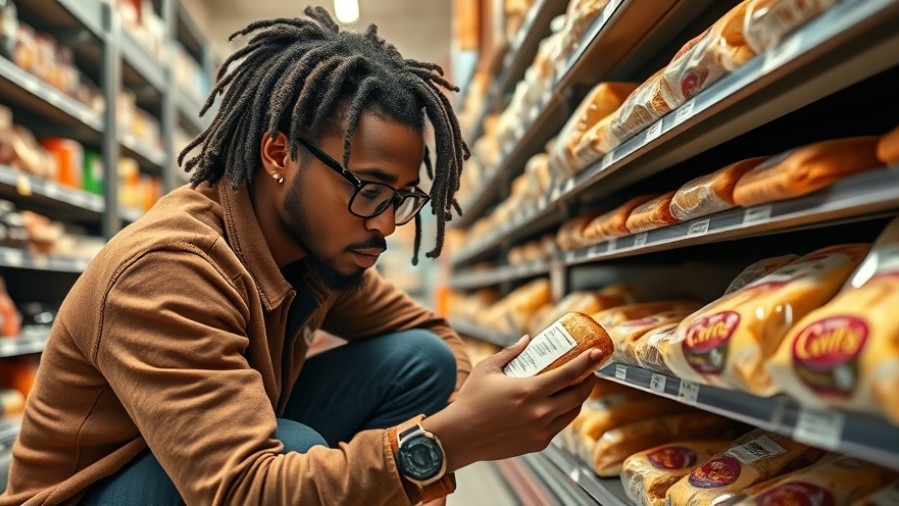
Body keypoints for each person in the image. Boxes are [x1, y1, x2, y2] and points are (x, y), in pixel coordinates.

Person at [0, 7, 602, 505]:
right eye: (367, 189)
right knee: (292, 445)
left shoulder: (321, 247)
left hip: (199, 465)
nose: (387, 224)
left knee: (419, 360)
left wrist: (466, 406)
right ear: (279, 154)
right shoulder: (168, 270)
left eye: (402, 198)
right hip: (98, 494)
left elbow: (429, 332)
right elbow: (243, 490)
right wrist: (445, 443)